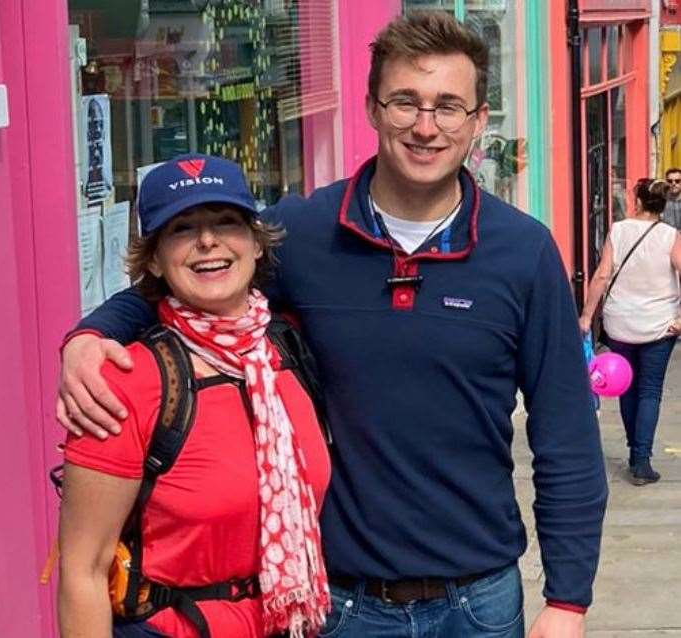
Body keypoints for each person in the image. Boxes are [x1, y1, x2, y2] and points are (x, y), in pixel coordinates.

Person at [57, 12, 607, 638]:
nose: (426, 126)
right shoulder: (305, 233)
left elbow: (564, 434)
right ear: (372, 108)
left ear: (479, 120)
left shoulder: (524, 253)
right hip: (343, 604)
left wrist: (568, 599)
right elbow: (195, 273)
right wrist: (89, 335)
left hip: (478, 603)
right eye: (406, 102)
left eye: (448, 106)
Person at [57, 155, 331, 638]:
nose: (208, 240)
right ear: (156, 259)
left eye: (227, 222)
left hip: (288, 622)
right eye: (182, 228)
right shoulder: (124, 381)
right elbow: (84, 571)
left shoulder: (286, 353)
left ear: (256, 243)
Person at [580, 178, 681, 486]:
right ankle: (641, 460)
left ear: (637, 200)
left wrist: (586, 315)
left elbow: (601, 275)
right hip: (659, 325)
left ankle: (633, 449)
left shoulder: (619, 230)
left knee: (627, 387)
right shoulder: (671, 235)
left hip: (620, 323)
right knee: (650, 391)